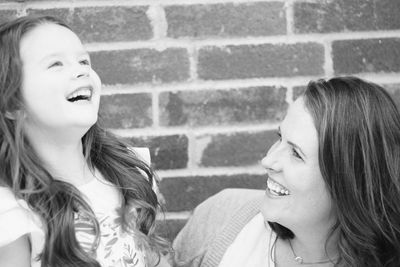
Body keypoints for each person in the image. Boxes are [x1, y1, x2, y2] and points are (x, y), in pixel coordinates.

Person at [173, 76, 400, 266]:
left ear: (349, 183)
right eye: (280, 137)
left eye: (296, 154)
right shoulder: (221, 217)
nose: (268, 160)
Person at [0, 15, 171, 267]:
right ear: (13, 104)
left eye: (83, 61)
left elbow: (155, 261)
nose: (81, 70)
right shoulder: (13, 212)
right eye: (56, 64)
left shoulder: (129, 173)